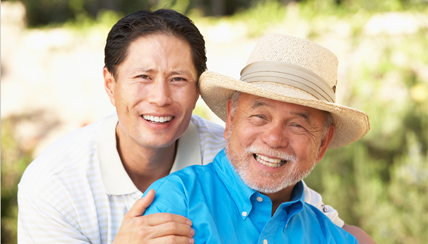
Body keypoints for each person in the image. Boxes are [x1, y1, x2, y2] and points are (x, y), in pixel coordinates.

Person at [17, 9, 372, 244]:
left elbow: (310, 218)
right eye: (143, 77)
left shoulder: (247, 153)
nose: (159, 98)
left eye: (178, 79)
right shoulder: (54, 182)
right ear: (110, 84)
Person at [143, 34, 376, 243]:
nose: (274, 139)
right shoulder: (175, 203)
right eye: (259, 116)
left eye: (297, 125)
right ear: (231, 119)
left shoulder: (331, 237)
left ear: (323, 143)